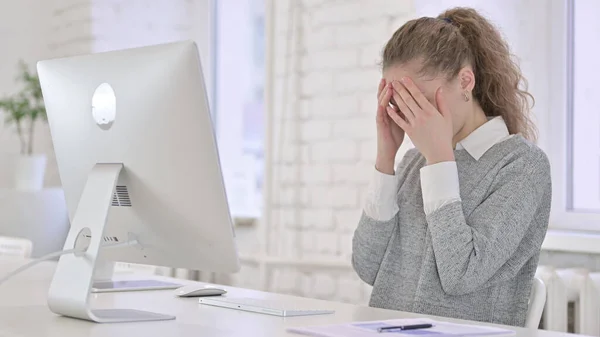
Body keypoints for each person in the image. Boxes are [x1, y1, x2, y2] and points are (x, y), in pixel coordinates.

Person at [351, 7, 551, 327]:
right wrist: (385, 159)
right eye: (399, 101)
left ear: (465, 81)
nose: (412, 116)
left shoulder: (522, 167)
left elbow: (460, 276)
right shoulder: (412, 163)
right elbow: (367, 266)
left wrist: (440, 160)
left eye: (419, 100)